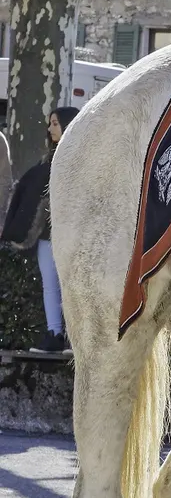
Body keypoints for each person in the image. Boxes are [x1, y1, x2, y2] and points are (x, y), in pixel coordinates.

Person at [3, 107, 81, 352]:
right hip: (48, 236)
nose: (50, 128)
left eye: (55, 123)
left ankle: (71, 337)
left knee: (71, 286)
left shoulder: (80, 158)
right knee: (51, 285)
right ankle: (54, 334)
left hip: (71, 235)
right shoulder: (49, 159)